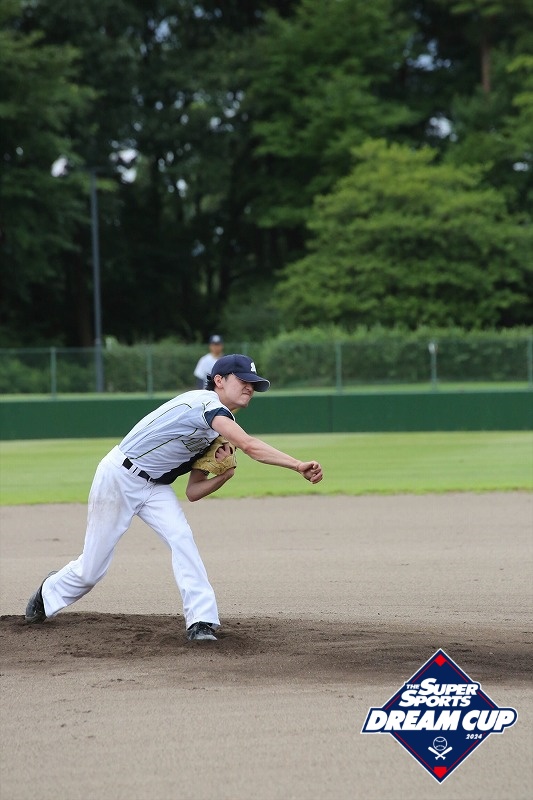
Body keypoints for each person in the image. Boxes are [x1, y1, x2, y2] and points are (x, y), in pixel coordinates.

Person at [25, 354, 323, 642]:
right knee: (91, 571)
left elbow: (193, 492)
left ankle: (201, 620)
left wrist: (225, 476)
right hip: (120, 476)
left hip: (155, 487)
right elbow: (249, 445)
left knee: (182, 539)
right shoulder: (204, 403)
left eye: (253, 384)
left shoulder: (216, 431)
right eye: (243, 380)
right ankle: (49, 592)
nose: (249, 387)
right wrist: (297, 465)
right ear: (219, 380)